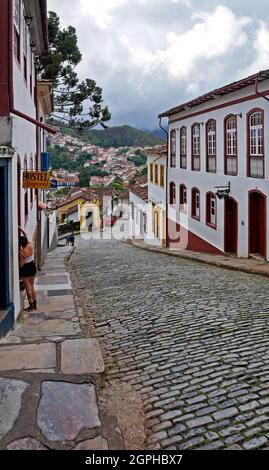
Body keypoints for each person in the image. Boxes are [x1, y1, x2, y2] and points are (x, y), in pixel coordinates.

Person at [18, 227, 37, 311]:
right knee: (32, 286)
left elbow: (21, 265)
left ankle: (31, 305)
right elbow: (25, 235)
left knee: (27, 288)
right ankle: (35, 304)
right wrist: (20, 229)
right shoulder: (30, 245)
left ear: (20, 244)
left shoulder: (21, 252)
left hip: (25, 269)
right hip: (32, 266)